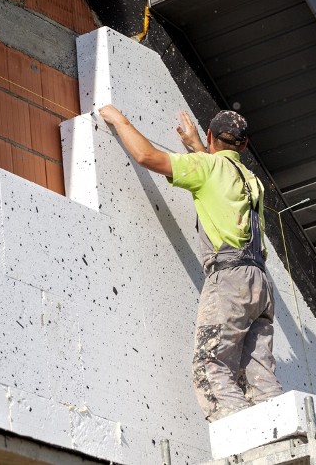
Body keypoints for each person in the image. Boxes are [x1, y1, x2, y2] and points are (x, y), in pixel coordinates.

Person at [98, 104, 282, 422]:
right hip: (260, 284)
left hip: (229, 281)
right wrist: (198, 147)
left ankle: (244, 441)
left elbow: (147, 157)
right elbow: (222, 180)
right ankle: (285, 432)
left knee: (211, 368)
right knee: (259, 380)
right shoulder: (252, 180)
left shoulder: (208, 169)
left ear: (210, 136)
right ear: (245, 145)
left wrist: (119, 119)